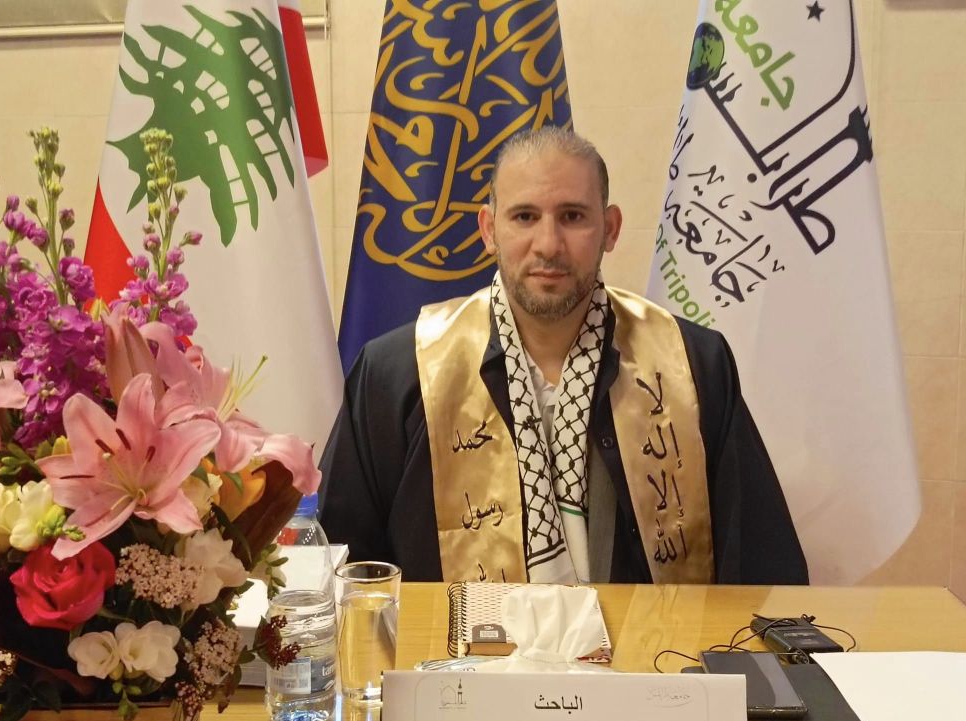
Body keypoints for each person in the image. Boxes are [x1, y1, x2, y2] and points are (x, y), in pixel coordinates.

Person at [319, 127, 807, 586]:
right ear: (489, 229)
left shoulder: (693, 366)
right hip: (458, 650)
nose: (549, 245)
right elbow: (345, 576)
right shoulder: (397, 376)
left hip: (654, 649)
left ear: (610, 229)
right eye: (524, 217)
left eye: (573, 216)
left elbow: (762, 572)